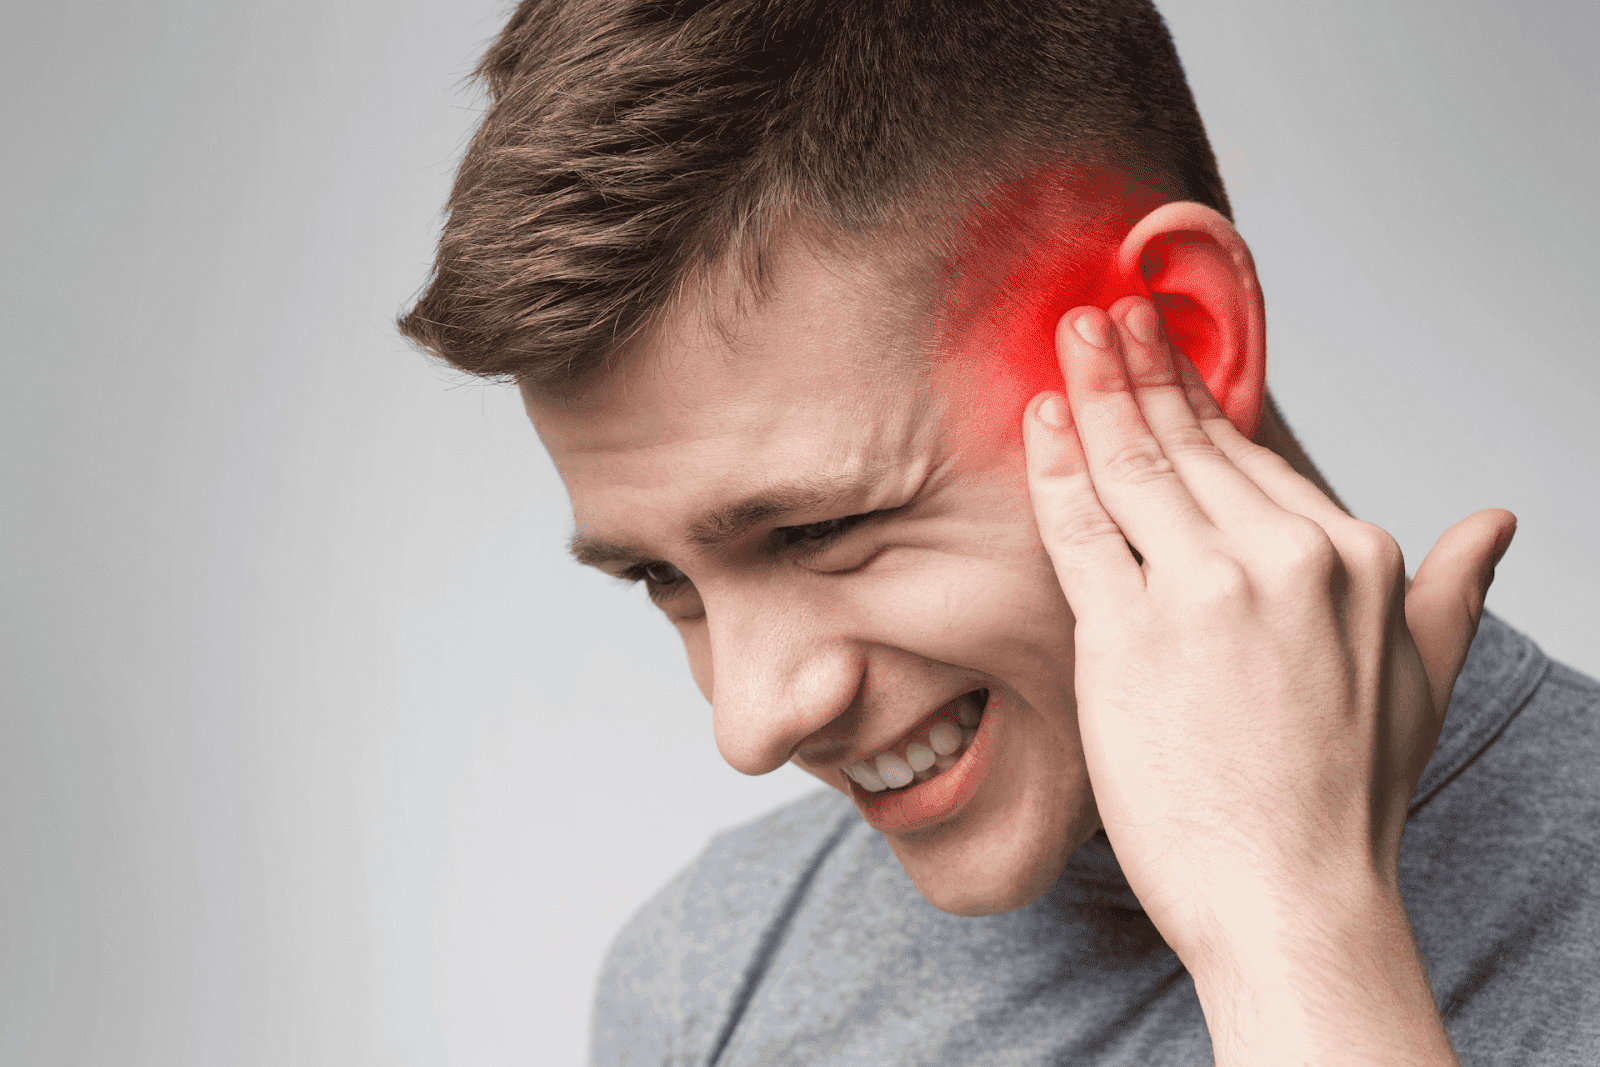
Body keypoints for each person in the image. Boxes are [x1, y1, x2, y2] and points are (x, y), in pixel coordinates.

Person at [397, 1, 1600, 1062]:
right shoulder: (704, 984)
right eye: (662, 573)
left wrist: (1289, 929)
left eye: (823, 527)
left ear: (1180, 337)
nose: (751, 720)